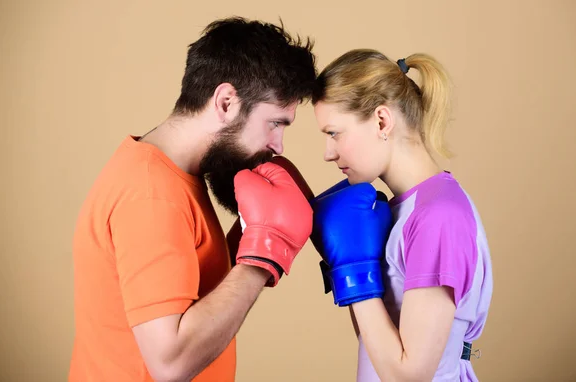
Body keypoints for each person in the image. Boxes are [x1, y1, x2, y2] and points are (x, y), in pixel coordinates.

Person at [68, 17, 317, 382]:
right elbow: (171, 364)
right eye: (275, 123)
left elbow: (190, 293)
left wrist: (246, 236)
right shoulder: (152, 195)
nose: (278, 146)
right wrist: (264, 253)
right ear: (227, 102)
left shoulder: (173, 177)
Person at [308, 49, 494, 381]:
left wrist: (351, 269)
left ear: (382, 120)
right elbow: (377, 349)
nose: (328, 153)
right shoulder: (401, 211)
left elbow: (409, 376)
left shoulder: (439, 217)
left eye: (334, 133)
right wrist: (347, 265)